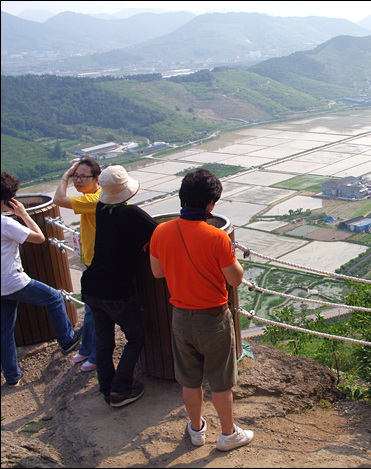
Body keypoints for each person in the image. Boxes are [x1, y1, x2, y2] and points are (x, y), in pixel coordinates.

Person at [149, 168, 253, 452]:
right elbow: (235, 279)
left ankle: (196, 430)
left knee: (189, 379)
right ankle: (228, 434)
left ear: (182, 197)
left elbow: (157, 272)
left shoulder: (161, 231)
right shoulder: (216, 237)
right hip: (213, 319)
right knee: (220, 381)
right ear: (211, 203)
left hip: (181, 318)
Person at [81, 165, 157, 407]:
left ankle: (106, 387)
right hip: (117, 291)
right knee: (135, 337)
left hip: (92, 286)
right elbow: (160, 232)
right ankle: (121, 390)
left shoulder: (101, 208)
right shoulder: (132, 213)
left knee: (104, 341)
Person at [1, 172, 81, 387]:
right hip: (13, 281)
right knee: (54, 298)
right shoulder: (5, 224)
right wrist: (23, 215)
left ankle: (12, 377)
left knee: (5, 331)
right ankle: (67, 340)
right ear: (8, 200)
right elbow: (39, 238)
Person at [54, 157, 101, 373]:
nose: (78, 180)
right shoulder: (89, 196)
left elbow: (58, 199)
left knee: (97, 311)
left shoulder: (93, 199)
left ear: (96, 178)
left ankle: (96, 355)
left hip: (98, 264)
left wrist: (66, 175)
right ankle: (87, 349)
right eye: (75, 176)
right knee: (90, 309)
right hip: (91, 261)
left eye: (83, 176)